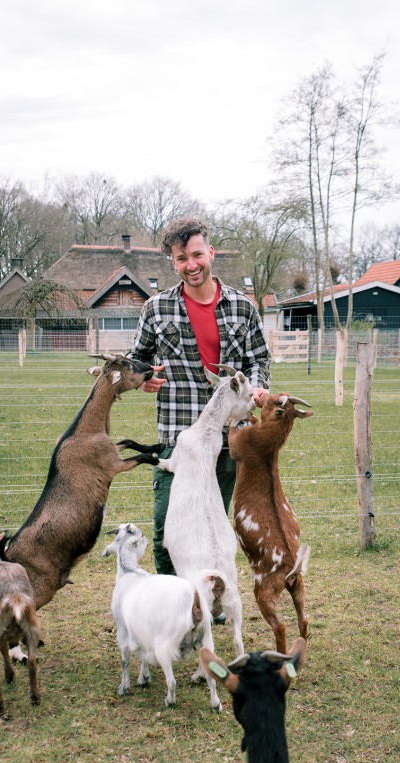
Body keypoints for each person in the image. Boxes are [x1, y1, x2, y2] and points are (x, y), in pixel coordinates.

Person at [128, 217, 271, 576]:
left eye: (196, 255)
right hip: (176, 439)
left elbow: (259, 360)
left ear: (210, 252)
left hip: (225, 440)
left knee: (210, 528)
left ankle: (209, 605)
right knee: (166, 530)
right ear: (172, 263)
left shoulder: (243, 308)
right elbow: (138, 361)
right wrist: (143, 378)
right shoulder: (156, 309)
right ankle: (175, 605)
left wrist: (256, 387)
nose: (191, 265)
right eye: (181, 259)